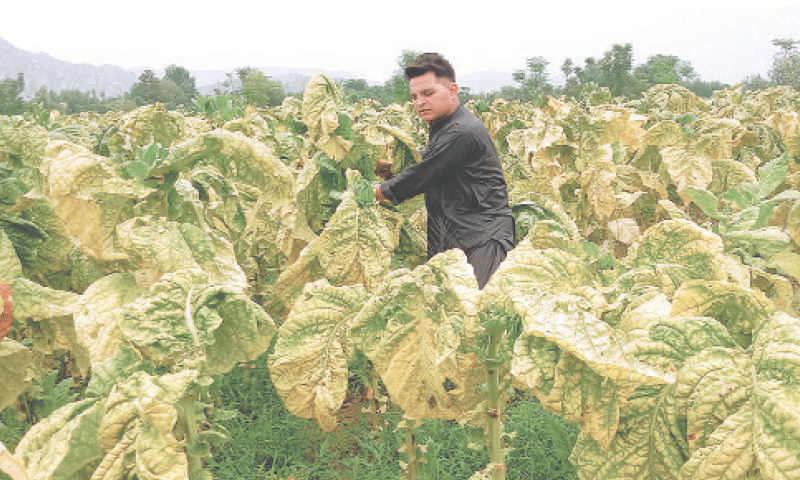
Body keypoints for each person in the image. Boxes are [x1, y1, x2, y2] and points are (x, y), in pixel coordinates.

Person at [374, 52, 514, 289]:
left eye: (428, 94)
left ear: (452, 90)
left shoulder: (462, 131)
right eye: (414, 97)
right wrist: (393, 169)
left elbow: (422, 175)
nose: (420, 102)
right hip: (456, 236)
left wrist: (379, 192)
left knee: (476, 313)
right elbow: (433, 162)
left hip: (483, 239)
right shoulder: (444, 125)